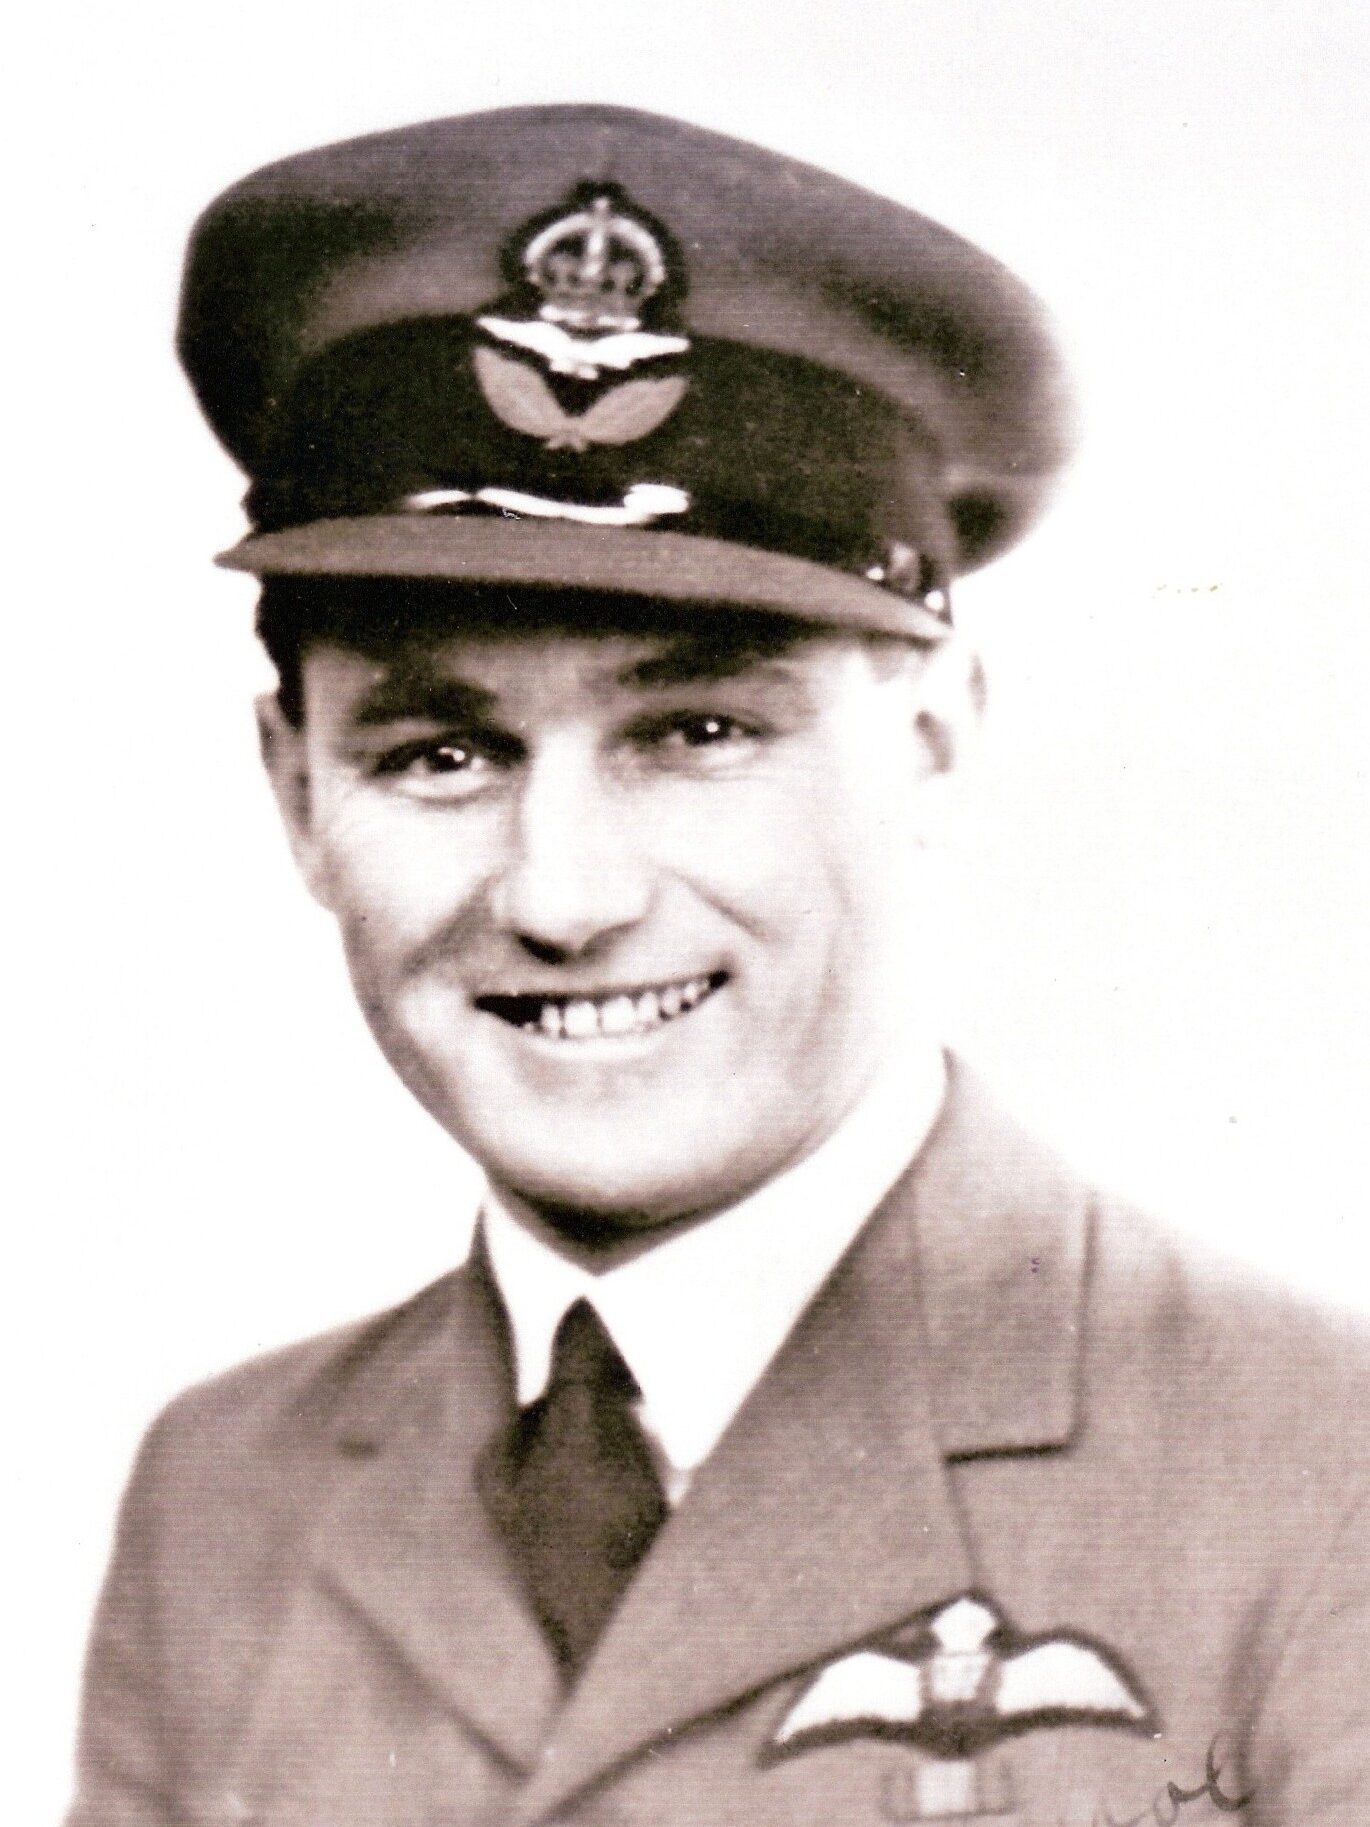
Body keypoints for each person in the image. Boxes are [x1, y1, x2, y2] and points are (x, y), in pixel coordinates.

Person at [67, 104, 1369, 1827]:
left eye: (696, 731)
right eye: (438, 755)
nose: (563, 895)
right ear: (297, 794)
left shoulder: (1320, 1471)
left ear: (930, 744)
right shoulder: (225, 1494)